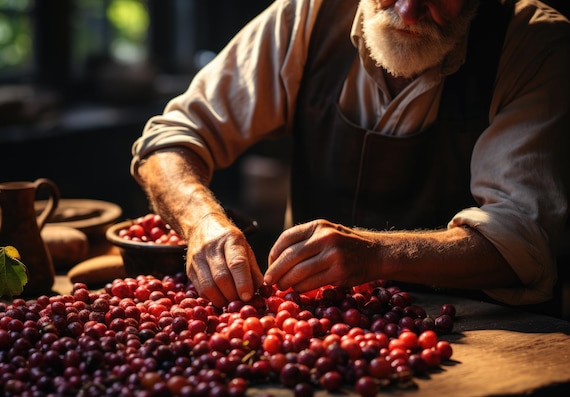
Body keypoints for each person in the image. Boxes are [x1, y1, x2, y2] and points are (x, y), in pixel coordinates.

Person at [130, 0, 570, 312]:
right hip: (316, 326)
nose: (409, 10)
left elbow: (525, 242)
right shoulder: (309, 16)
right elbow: (170, 139)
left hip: (478, 334)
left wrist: (377, 254)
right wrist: (202, 221)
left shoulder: (532, 45)